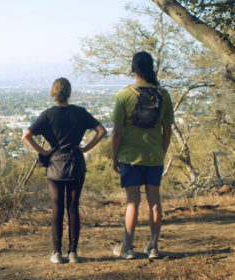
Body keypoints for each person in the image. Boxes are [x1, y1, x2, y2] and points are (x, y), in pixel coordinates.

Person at [22, 77, 106, 264]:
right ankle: (73, 253)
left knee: (57, 209)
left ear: (53, 92)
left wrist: (43, 151)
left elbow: (26, 136)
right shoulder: (80, 112)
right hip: (76, 163)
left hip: (55, 166)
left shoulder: (47, 115)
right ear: (68, 93)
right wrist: (85, 148)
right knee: (73, 208)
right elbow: (102, 131)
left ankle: (57, 253)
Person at [111, 51, 174, 259]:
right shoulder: (164, 95)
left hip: (130, 158)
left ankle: (127, 248)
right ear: (151, 68)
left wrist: (114, 157)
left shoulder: (125, 95)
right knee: (155, 202)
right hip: (154, 157)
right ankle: (153, 247)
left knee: (132, 202)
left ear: (132, 69)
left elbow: (117, 132)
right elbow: (168, 132)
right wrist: (161, 153)